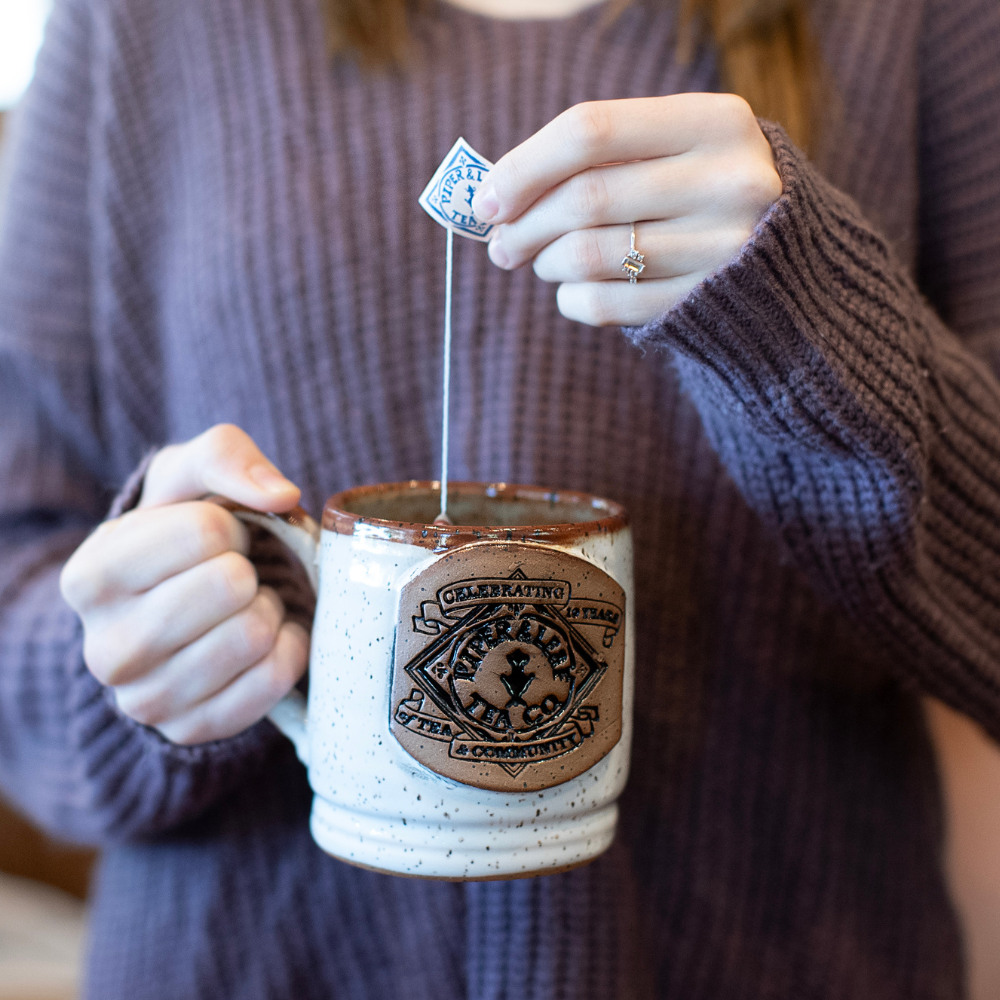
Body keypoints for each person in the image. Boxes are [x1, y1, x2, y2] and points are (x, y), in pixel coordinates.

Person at [0, 0, 998, 995]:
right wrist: (144, 654)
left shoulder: (919, 22)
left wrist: (821, 327)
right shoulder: (139, 21)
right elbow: (20, 586)